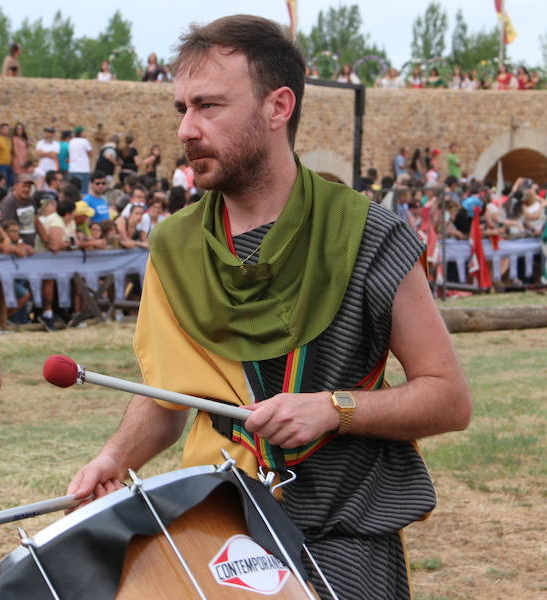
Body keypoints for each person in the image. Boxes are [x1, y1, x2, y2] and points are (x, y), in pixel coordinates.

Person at [66, 15, 470, 600]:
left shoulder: (367, 234)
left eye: (209, 106)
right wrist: (113, 457)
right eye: (182, 108)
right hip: (222, 531)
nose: (186, 129)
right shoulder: (174, 249)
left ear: (277, 107)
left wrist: (336, 409)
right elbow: (173, 398)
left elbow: (448, 397)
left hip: (344, 532)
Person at [68, 126, 92, 193]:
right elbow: (90, 154)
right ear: (81, 133)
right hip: (83, 169)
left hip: (73, 169)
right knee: (84, 191)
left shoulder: (71, 141)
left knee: (73, 190)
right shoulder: (85, 141)